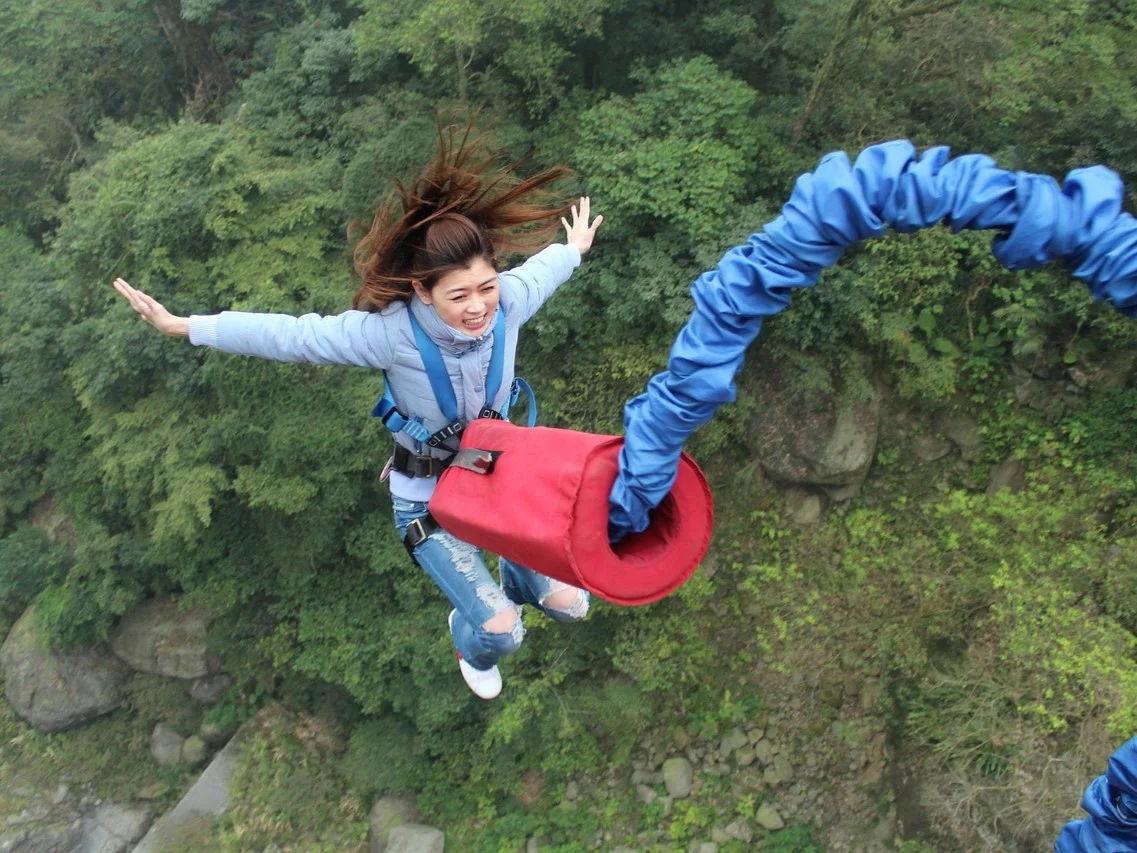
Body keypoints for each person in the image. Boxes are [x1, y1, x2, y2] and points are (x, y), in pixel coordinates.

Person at [112, 127, 604, 699]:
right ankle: (469, 629)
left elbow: (545, 269)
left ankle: (516, 577)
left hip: (497, 485)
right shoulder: (389, 336)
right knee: (501, 635)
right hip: (430, 503)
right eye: (459, 296)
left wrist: (573, 248)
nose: (479, 308)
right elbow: (291, 335)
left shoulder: (508, 301)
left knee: (575, 605)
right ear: (422, 291)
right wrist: (188, 326)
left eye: (486, 288)